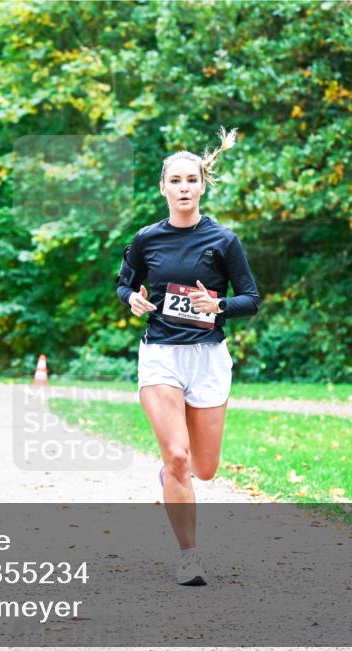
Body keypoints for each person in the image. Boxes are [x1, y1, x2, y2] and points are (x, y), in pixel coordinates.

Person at [116, 128, 260, 586]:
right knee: (178, 457)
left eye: (191, 180)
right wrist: (132, 299)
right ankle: (188, 556)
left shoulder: (224, 240)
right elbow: (123, 283)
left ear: (202, 186)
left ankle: (172, 473)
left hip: (208, 358)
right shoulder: (146, 239)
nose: (183, 188)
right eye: (175, 181)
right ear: (163, 188)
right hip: (161, 355)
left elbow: (252, 299)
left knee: (204, 468)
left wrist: (218, 305)